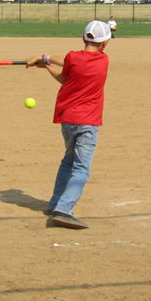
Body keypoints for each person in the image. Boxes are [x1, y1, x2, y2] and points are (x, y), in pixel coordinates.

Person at [26, 20, 112, 229]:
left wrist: (44, 61)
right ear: (105, 44)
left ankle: (55, 203)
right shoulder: (103, 60)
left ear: (84, 38)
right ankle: (64, 209)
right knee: (81, 167)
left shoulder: (73, 58)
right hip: (87, 122)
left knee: (69, 160)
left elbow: (64, 74)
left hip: (67, 119)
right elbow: (65, 63)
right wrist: (45, 60)